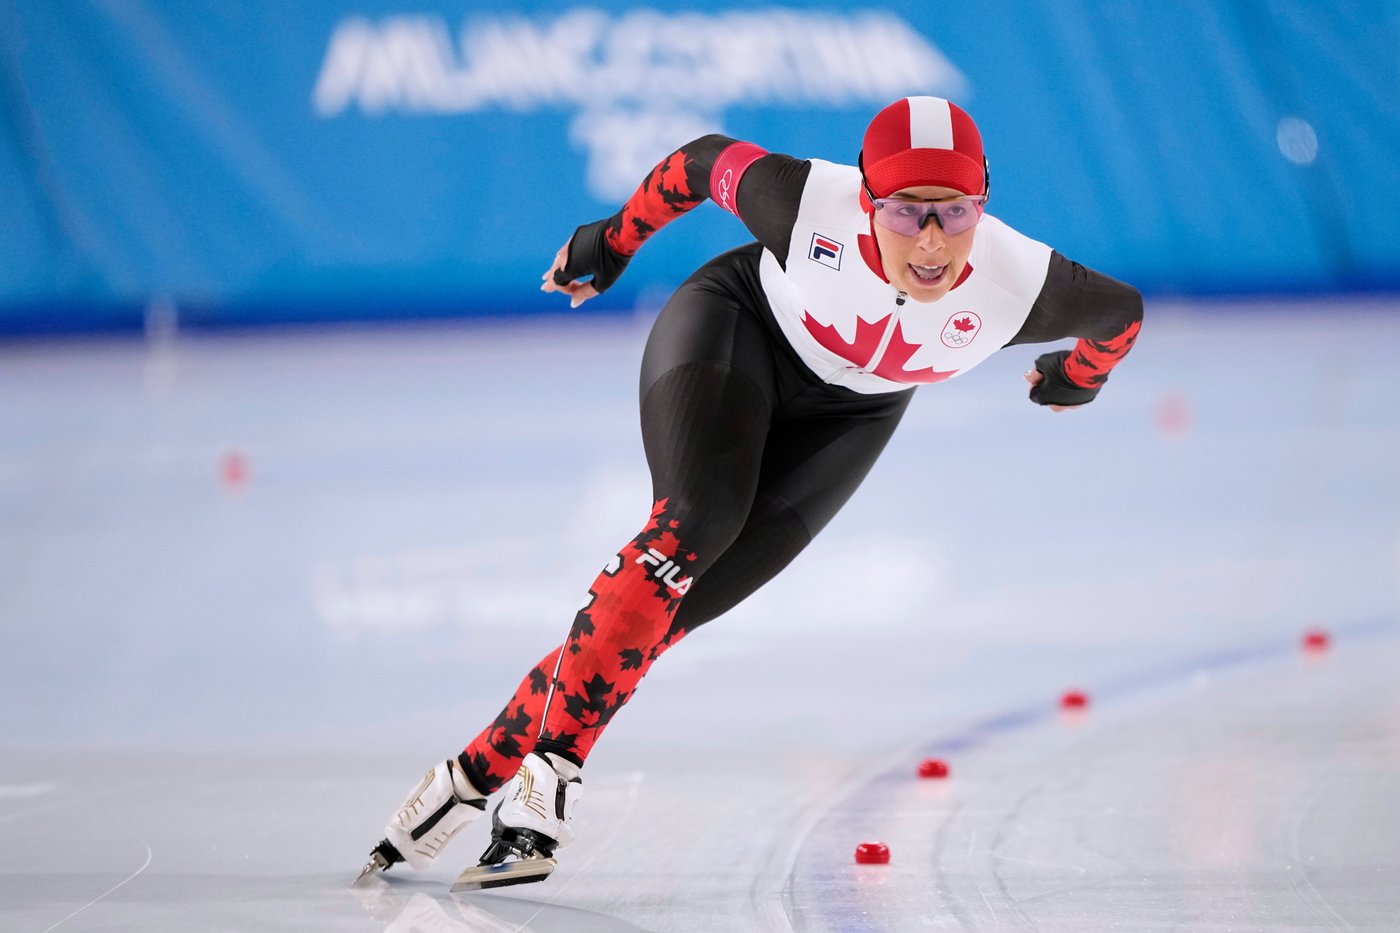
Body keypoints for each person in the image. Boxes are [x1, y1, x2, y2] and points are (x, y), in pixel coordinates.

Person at [357, 96, 1142, 889]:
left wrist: (1078, 377)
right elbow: (700, 161)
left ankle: (465, 778)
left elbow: (1122, 316)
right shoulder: (804, 204)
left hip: (855, 413)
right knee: (694, 523)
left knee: (662, 619)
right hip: (736, 330)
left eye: (956, 212)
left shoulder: (1022, 282)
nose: (933, 242)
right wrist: (614, 240)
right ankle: (545, 786)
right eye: (906, 215)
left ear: (983, 204)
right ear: (867, 201)